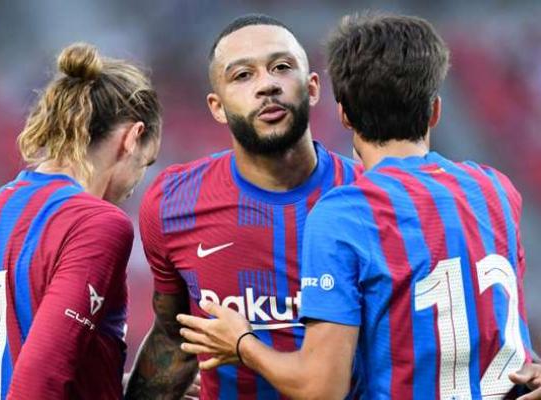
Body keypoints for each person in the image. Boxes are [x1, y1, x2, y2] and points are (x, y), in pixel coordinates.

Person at [177, 13, 541, 399]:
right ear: (435, 110)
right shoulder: (495, 189)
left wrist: (242, 343)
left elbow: (322, 389)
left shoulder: (344, 214)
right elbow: (503, 333)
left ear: (344, 115)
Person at [124, 14, 361, 400]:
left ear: (313, 87)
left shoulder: (367, 196)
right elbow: (173, 335)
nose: (267, 85)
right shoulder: (173, 202)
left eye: (281, 67)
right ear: (217, 107)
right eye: (243, 75)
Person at [0, 42, 161, 399]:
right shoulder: (97, 223)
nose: (137, 183)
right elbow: (43, 375)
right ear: (131, 139)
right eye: (145, 163)